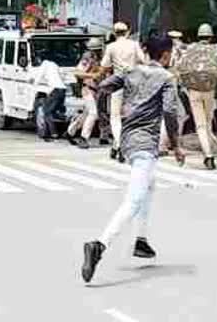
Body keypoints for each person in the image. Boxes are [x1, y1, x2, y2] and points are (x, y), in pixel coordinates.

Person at [81, 37, 182, 283]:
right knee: (134, 200)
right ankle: (99, 245)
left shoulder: (130, 71)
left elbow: (103, 85)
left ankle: (141, 240)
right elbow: (169, 111)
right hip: (145, 142)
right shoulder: (166, 78)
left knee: (150, 184)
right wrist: (176, 145)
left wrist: (107, 111)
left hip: (127, 139)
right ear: (166, 55)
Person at [177, 23, 217, 170]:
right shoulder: (215, 50)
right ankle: (209, 153)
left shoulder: (190, 49)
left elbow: (180, 67)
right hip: (209, 90)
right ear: (210, 37)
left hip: (193, 91)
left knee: (201, 126)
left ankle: (208, 156)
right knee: (208, 124)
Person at [101, 22, 147, 160]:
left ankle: (119, 144)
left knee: (115, 117)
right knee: (129, 116)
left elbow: (104, 66)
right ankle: (117, 146)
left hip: (117, 82)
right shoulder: (134, 44)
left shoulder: (111, 47)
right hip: (133, 83)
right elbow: (143, 60)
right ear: (127, 32)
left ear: (115, 33)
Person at [67, 37, 104, 149]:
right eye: (95, 49)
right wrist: (92, 76)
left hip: (96, 90)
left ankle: (70, 132)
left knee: (86, 114)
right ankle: (83, 138)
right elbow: (78, 73)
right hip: (88, 89)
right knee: (93, 113)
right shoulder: (87, 58)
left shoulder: (100, 58)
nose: (97, 51)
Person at [31, 55, 67, 142]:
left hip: (55, 90)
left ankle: (53, 133)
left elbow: (39, 76)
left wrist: (34, 84)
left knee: (46, 111)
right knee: (54, 111)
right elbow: (62, 76)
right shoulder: (54, 65)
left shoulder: (44, 65)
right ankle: (64, 130)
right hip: (63, 89)